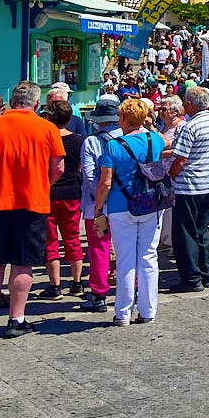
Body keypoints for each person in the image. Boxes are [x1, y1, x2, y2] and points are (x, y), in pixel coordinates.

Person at [0, 80, 65, 338]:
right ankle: (16, 319)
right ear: (36, 103)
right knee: (23, 265)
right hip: (31, 202)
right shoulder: (47, 128)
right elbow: (59, 169)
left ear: (11, 103)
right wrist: (42, 182)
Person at [95, 98, 165, 326]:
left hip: (120, 205)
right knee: (148, 257)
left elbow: (105, 182)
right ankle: (148, 310)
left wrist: (98, 210)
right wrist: (149, 125)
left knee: (126, 260)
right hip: (150, 203)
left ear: (123, 118)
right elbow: (164, 143)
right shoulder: (154, 139)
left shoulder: (114, 145)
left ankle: (123, 312)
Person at [164, 85, 209, 293]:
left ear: (189, 104)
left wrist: (169, 175)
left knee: (185, 234)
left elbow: (181, 159)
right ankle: (205, 273)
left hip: (188, 187)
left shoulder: (191, 127)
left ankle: (191, 277)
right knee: (201, 232)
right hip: (207, 185)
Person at [78, 96, 122, 313]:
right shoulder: (130, 138)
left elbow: (89, 176)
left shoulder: (91, 142)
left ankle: (98, 295)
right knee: (127, 248)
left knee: (98, 249)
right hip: (125, 205)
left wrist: (99, 201)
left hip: (97, 205)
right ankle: (130, 291)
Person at [39, 97, 85, 299]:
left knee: (50, 241)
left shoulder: (44, 139)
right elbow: (80, 167)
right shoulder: (77, 140)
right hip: (72, 192)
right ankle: (77, 282)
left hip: (48, 192)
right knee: (72, 238)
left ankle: (55, 285)